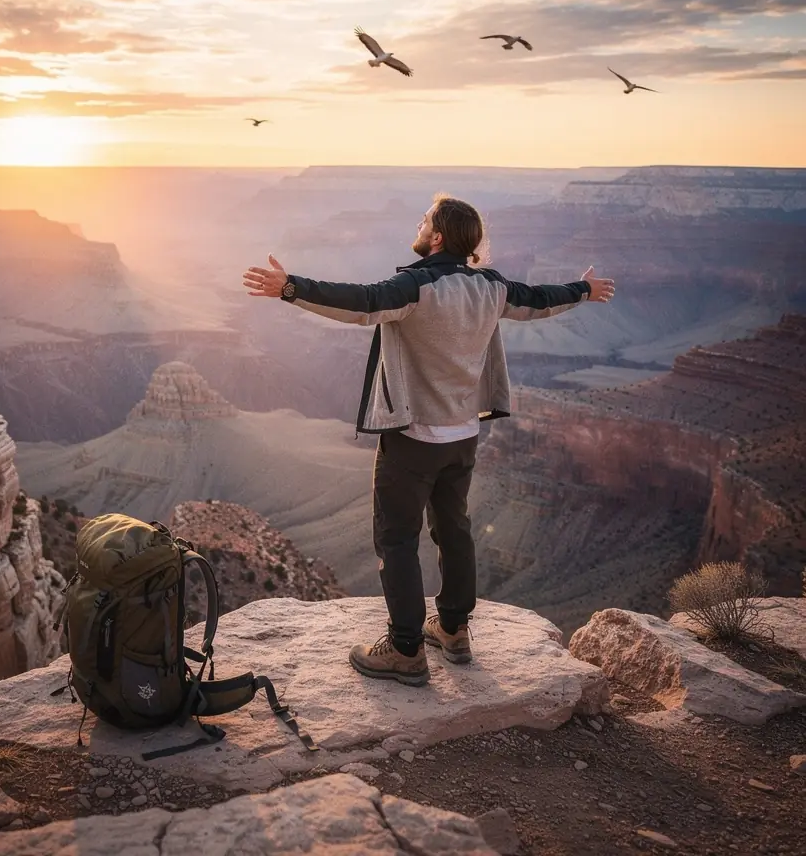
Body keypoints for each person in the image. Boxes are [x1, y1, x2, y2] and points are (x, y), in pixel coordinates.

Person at [242, 194, 615, 686]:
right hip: (463, 435)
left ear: (436, 238)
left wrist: (291, 288)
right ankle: (455, 630)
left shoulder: (416, 286)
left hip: (414, 437)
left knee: (396, 538)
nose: (417, 226)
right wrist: (584, 289)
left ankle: (404, 649)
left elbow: (362, 302)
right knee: (454, 530)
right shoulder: (492, 287)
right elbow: (539, 300)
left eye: (423, 221)